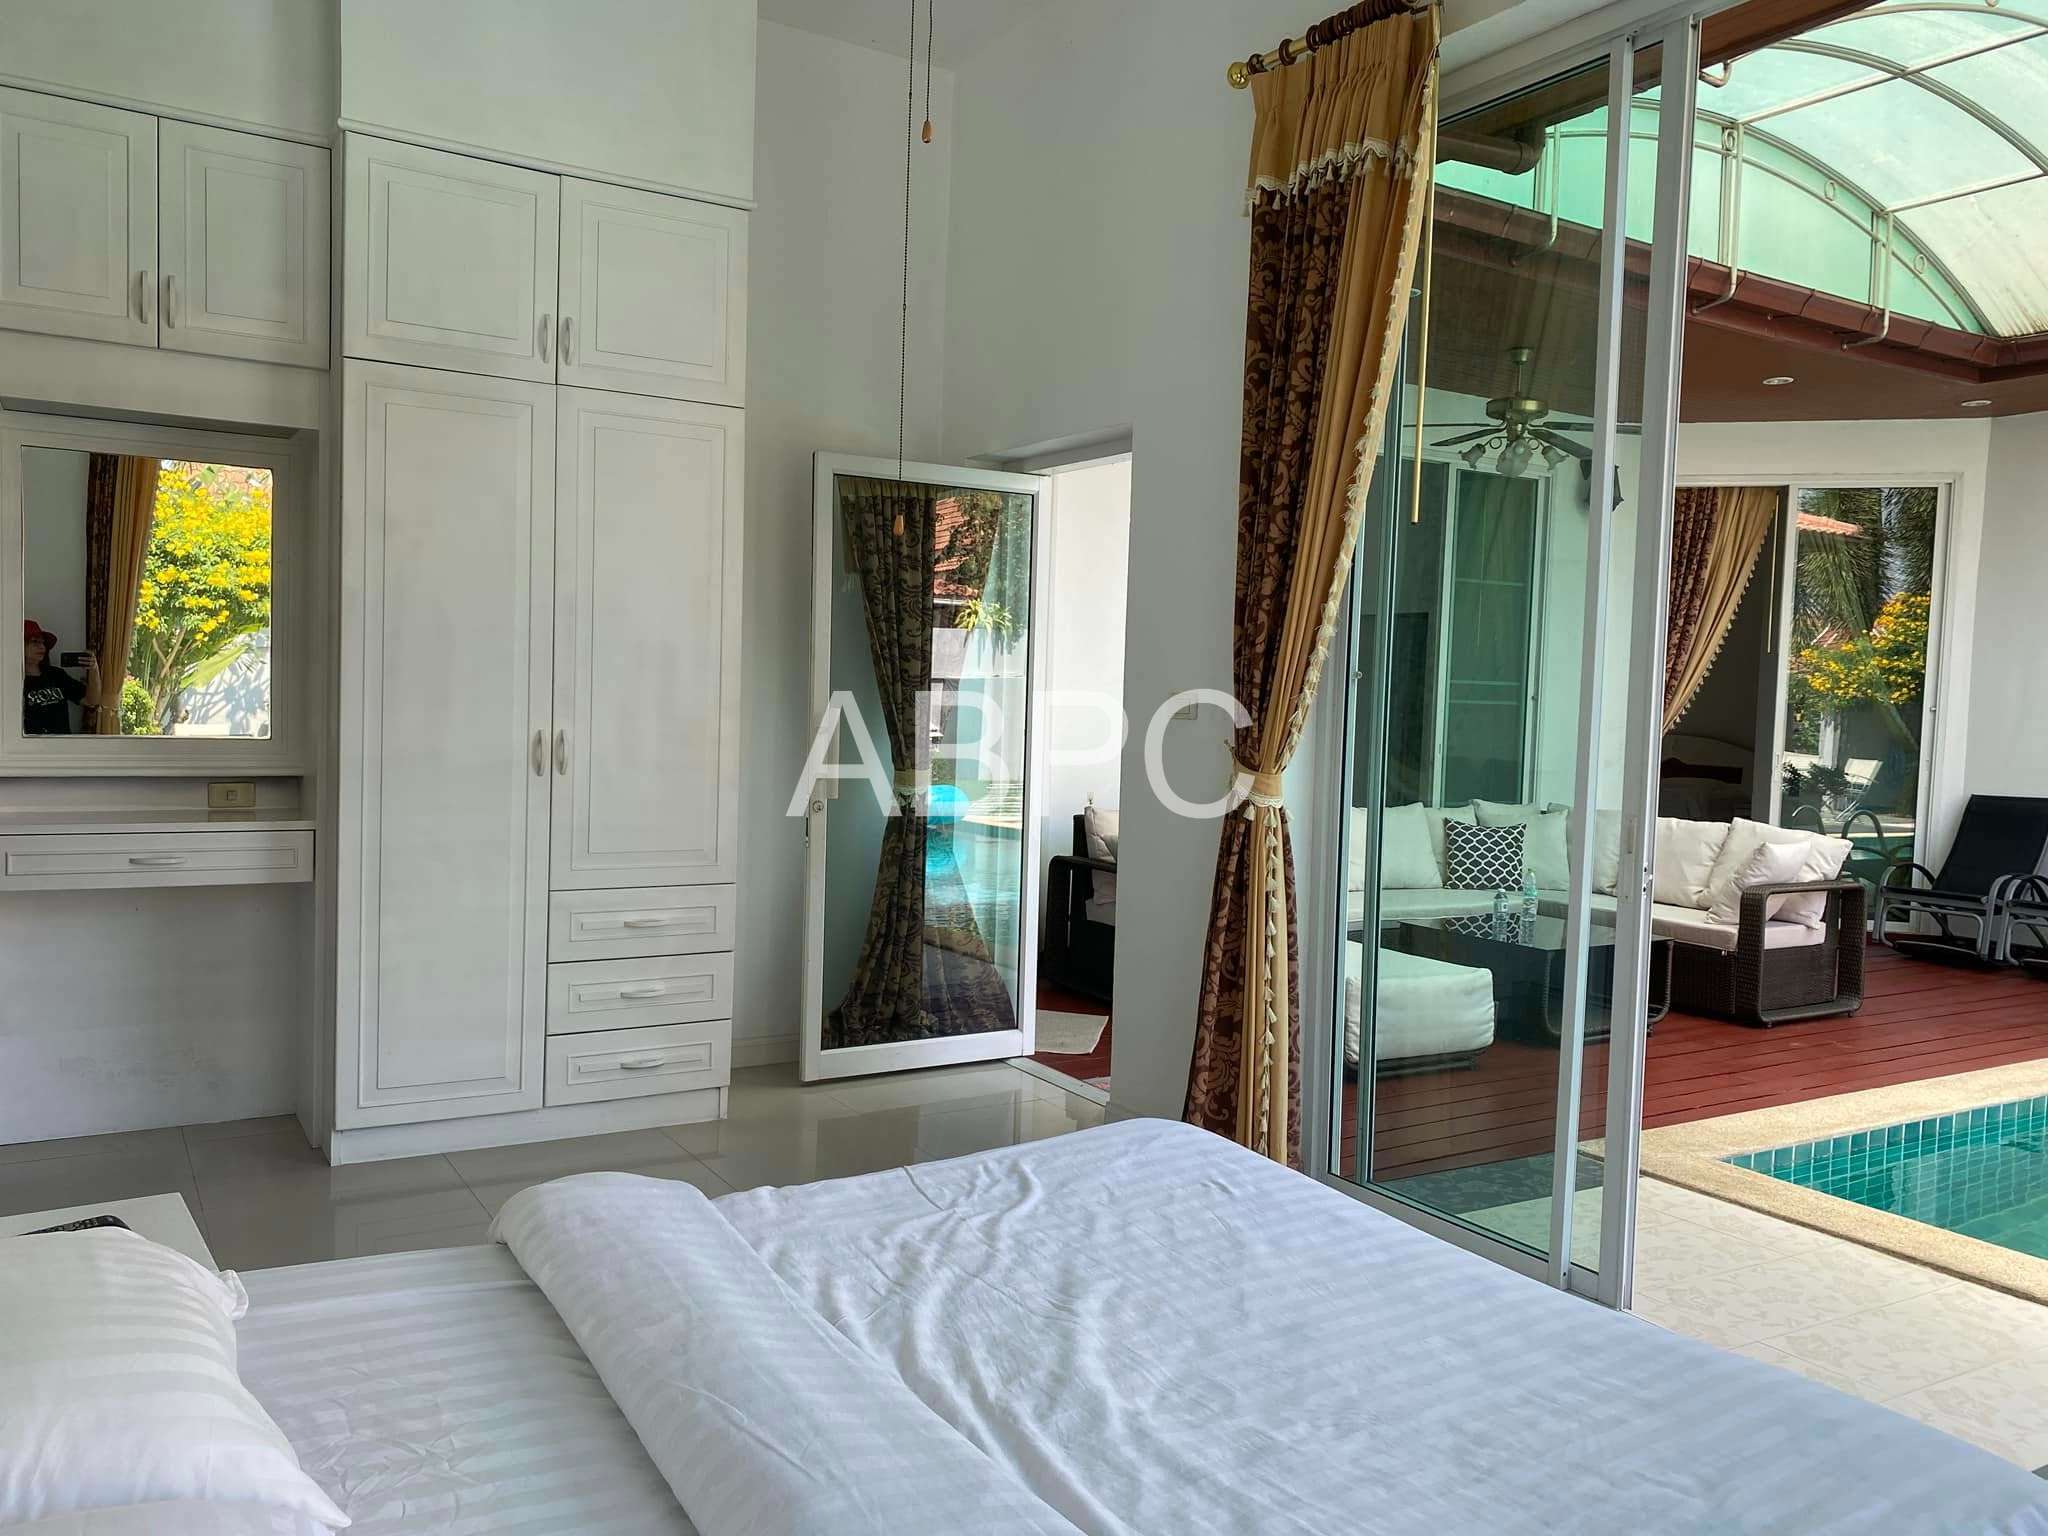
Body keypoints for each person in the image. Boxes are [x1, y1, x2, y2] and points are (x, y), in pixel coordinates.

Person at [23, 620, 100, 735]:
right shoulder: (11, 681)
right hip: (31, 745)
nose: (42, 647)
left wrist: (94, 669)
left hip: (63, 743)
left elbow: (92, 701)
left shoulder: (56, 675)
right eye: (35, 642)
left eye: (43, 643)